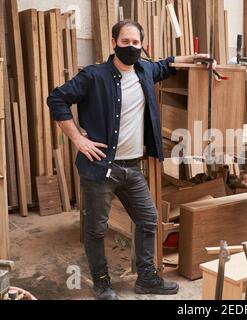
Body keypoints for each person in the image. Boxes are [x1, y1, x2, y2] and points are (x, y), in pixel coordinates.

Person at [47, 20, 211, 300]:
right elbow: (56, 99)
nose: (131, 48)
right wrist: (78, 138)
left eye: (136, 43)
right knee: (96, 229)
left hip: (132, 167)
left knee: (148, 220)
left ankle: (146, 278)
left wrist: (197, 58)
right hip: (101, 168)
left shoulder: (145, 70)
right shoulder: (93, 76)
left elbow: (168, 63)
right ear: (114, 43)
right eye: (126, 42)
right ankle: (101, 282)